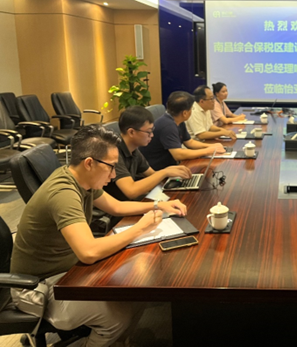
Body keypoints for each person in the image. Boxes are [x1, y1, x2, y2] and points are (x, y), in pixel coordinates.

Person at [10, 125, 187, 347]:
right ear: (89, 163)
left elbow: (116, 207)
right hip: (39, 288)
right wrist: (140, 228)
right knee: (118, 315)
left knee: (136, 289)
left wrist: (159, 205)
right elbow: (89, 252)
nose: (113, 175)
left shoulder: (82, 179)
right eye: (111, 167)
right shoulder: (63, 193)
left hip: (66, 270)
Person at [104, 106, 192, 201]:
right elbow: (131, 191)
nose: (152, 135)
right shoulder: (113, 153)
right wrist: (164, 172)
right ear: (131, 132)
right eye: (148, 132)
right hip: (119, 206)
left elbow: (151, 174)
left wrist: (170, 171)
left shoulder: (133, 149)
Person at [141, 91, 225, 170]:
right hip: (157, 170)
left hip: (170, 167)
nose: (192, 111)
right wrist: (208, 151)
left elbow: (189, 142)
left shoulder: (178, 120)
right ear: (185, 113)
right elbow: (178, 155)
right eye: (191, 109)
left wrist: (211, 146)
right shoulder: (168, 125)